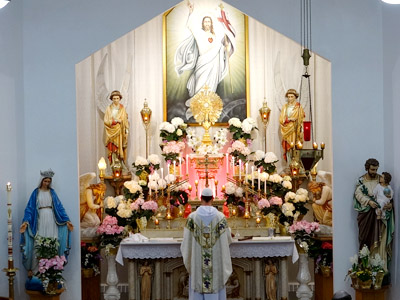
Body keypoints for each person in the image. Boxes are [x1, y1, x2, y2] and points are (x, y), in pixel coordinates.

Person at [175, 2, 235, 119]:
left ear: (211, 23)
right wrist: (191, 12)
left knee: (211, 88)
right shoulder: (199, 33)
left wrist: (225, 46)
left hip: (213, 66)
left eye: (209, 21)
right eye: (205, 21)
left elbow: (221, 48)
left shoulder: (216, 37)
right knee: (199, 87)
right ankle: (197, 109)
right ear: (203, 23)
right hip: (202, 64)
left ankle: (208, 111)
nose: (207, 23)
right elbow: (190, 26)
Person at [181, 188, 232, 298]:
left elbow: (186, 242)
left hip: (198, 265)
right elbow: (227, 238)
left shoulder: (192, 218)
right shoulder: (220, 217)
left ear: (201, 199)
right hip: (215, 267)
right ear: (212, 199)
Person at [20, 170, 74, 274]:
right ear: (41, 181)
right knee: (39, 242)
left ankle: (51, 270)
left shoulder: (52, 192)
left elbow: (59, 207)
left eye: (49, 181)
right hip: (40, 219)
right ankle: (37, 270)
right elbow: (30, 209)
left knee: (52, 241)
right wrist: (26, 221)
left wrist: (66, 220)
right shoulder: (36, 193)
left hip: (51, 219)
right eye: (45, 181)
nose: (47, 183)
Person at [353, 158, 394, 272]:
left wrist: (389, 205)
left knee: (380, 240)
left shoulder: (381, 180)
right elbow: (358, 194)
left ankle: (379, 266)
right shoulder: (361, 180)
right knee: (365, 238)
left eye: (376, 169)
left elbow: (388, 195)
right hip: (366, 215)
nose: (374, 172)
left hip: (380, 216)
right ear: (367, 168)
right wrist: (369, 201)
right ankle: (366, 266)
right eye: (372, 169)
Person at [103, 90, 130, 170]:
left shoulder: (122, 109)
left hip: (120, 131)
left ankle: (121, 164)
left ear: (120, 99)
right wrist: (115, 121)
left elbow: (125, 120)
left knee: (120, 147)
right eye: (114, 98)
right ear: (111, 99)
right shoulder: (109, 109)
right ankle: (113, 164)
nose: (115, 100)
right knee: (113, 147)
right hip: (112, 131)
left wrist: (126, 130)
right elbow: (106, 121)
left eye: (117, 98)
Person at [279, 89, 305, 161]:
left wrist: (301, 128)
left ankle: (296, 164)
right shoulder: (285, 107)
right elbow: (281, 119)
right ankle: (289, 165)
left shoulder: (299, 107)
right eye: (288, 97)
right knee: (288, 146)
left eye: (291, 96)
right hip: (287, 130)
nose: (290, 98)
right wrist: (290, 119)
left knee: (296, 146)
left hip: (296, 129)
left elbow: (302, 118)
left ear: (295, 97)